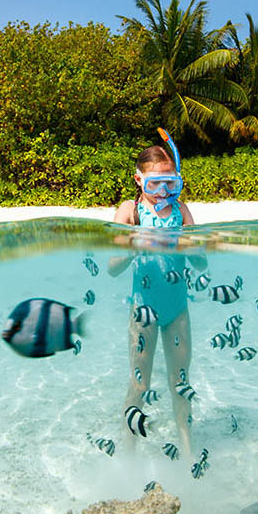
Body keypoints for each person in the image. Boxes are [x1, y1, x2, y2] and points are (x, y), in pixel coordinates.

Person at [108, 130, 205, 459]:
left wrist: (187, 239)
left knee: (181, 382)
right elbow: (112, 266)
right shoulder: (129, 211)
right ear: (138, 180)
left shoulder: (181, 210)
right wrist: (137, 240)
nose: (163, 192)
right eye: (155, 184)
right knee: (140, 383)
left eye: (170, 184)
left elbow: (201, 261)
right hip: (143, 312)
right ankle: (128, 452)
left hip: (177, 310)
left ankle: (188, 449)